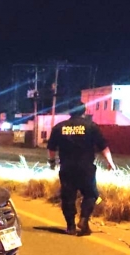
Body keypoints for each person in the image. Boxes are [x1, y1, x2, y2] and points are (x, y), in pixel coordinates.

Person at [47, 99, 116, 236]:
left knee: (68, 197)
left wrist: (51, 162)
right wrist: (110, 162)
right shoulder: (91, 126)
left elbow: (51, 148)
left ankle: (71, 226)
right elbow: (103, 146)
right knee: (91, 194)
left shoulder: (59, 127)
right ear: (84, 111)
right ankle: (84, 219)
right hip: (86, 168)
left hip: (67, 168)